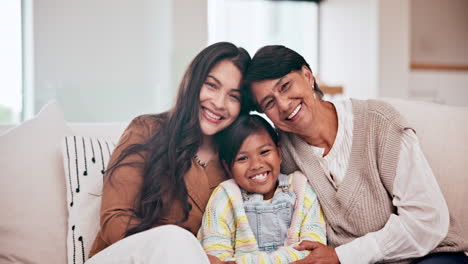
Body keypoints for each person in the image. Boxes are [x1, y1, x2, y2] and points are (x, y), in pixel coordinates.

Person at [242, 45, 468, 264]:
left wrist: (343, 256)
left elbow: (427, 221)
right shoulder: (282, 155)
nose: (282, 104)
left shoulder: (379, 123)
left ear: (308, 76)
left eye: (285, 86)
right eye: (269, 102)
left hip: (430, 255)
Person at [86, 42, 251, 264]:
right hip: (126, 257)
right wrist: (191, 253)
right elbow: (114, 220)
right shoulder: (147, 130)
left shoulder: (238, 160)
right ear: (192, 83)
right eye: (211, 86)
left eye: (234, 96)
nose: (219, 103)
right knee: (174, 237)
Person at [198, 114, 326, 263]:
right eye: (242, 158)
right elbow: (215, 256)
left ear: (279, 152)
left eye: (264, 152)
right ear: (228, 167)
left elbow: (313, 250)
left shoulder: (301, 188)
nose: (256, 165)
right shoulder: (225, 196)